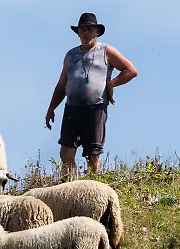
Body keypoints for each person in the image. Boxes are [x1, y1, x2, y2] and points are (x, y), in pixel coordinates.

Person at [45, 12, 138, 180]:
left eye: (89, 29)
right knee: (66, 150)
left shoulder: (106, 51)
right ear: (78, 32)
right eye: (82, 29)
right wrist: (51, 108)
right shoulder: (71, 55)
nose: (86, 32)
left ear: (97, 32)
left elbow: (131, 70)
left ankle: (95, 188)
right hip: (72, 107)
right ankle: (69, 186)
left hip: (95, 108)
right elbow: (62, 84)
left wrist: (111, 84)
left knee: (92, 154)